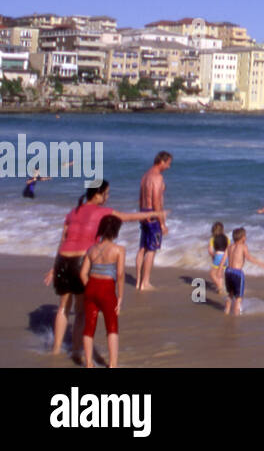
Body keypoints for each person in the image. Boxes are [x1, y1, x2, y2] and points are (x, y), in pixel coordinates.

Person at [45, 181, 160, 356]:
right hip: (81, 261)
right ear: (98, 194)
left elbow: (63, 241)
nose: (107, 197)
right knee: (81, 310)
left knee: (63, 307)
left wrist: (54, 269)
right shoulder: (102, 212)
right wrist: (154, 213)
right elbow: (125, 217)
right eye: (106, 194)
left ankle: (55, 350)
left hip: (63, 260)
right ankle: (76, 351)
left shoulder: (72, 212)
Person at [79, 215, 126, 368]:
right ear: (115, 231)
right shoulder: (119, 250)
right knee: (112, 326)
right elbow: (119, 275)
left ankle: (89, 363)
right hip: (107, 290)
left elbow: (82, 274)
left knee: (89, 326)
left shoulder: (91, 249)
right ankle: (112, 364)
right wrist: (120, 297)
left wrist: (90, 287)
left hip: (91, 287)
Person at [135, 151, 172, 291]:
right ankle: (145, 282)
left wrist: (140, 214)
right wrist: (162, 223)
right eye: (168, 163)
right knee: (152, 249)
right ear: (162, 161)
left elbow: (140, 198)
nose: (168, 167)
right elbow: (156, 200)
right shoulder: (157, 177)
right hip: (153, 214)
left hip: (144, 212)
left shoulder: (145, 176)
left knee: (142, 248)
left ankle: (138, 280)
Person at [224, 228, 264, 316]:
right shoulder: (243, 246)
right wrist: (261, 264)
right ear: (243, 238)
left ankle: (226, 311)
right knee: (238, 297)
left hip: (228, 271)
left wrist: (219, 270)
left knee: (230, 294)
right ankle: (236, 314)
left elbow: (224, 258)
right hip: (237, 273)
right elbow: (249, 258)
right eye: (245, 236)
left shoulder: (229, 246)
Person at [208, 222, 228, 296]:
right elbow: (228, 248)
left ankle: (219, 287)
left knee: (212, 274)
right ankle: (221, 288)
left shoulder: (213, 239)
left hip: (218, 256)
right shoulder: (226, 238)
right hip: (226, 258)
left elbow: (210, 250)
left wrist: (213, 256)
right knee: (221, 274)